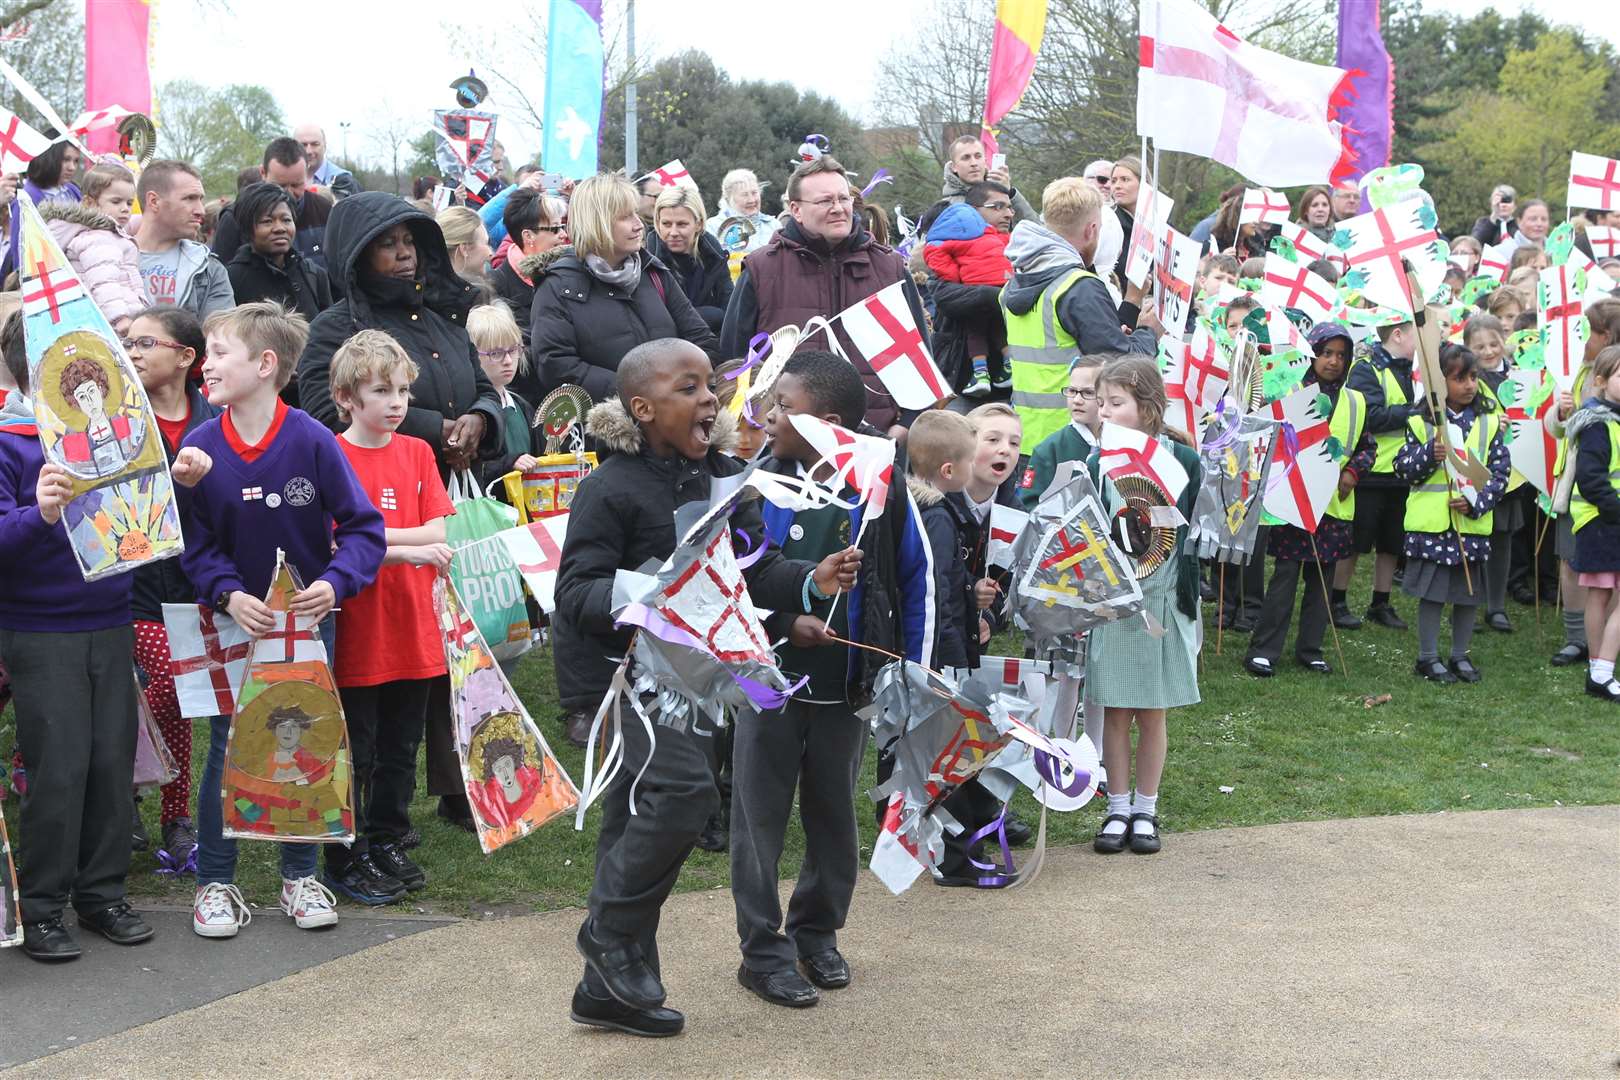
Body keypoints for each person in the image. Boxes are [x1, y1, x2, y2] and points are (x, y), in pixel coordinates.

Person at [555, 338, 858, 1037]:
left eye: (709, 386)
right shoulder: (610, 488)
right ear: (642, 407)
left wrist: (812, 578)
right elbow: (575, 593)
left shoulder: (725, 475)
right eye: (688, 388)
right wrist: (647, 592)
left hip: (702, 678)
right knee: (687, 796)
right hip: (635, 680)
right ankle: (608, 935)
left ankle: (608, 990)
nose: (709, 400)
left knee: (634, 820)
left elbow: (756, 568)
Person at [0, 312, 208, 962]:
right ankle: (42, 909)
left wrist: (182, 485)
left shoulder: (118, 433)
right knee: (59, 769)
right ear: (34, 374)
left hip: (112, 617)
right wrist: (42, 513)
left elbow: (151, 522)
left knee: (112, 765)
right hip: (42, 629)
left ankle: (101, 894)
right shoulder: (11, 443)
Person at [179, 302, 386, 938]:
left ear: (266, 365)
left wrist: (333, 583)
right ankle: (216, 882)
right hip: (230, 625)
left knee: (304, 739)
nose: (205, 365)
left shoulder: (311, 439)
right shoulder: (198, 447)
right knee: (228, 746)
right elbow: (193, 544)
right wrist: (224, 594)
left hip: (305, 625)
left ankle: (301, 876)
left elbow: (362, 530)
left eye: (218, 353)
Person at [734, 350, 934, 1005]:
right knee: (758, 819)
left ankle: (816, 933)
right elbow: (733, 583)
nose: (768, 416)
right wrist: (787, 620)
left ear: (829, 422)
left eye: (784, 406)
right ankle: (763, 952)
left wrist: (912, 667)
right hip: (767, 681)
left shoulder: (877, 486)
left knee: (832, 815)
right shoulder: (755, 485)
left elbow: (914, 578)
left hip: (848, 684)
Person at [323, 329, 454, 904]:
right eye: (381, 391)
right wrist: (403, 548)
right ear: (347, 397)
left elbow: (438, 532)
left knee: (403, 745)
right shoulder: (331, 454)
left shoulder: (419, 453)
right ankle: (345, 850)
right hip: (359, 627)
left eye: (402, 390)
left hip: (413, 625)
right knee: (358, 745)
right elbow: (332, 541)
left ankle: (387, 834)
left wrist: (375, 543)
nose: (397, 402)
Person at [297, 192, 504, 477]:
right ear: (358, 254)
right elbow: (326, 415)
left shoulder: (444, 317)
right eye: (388, 244)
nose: (404, 253)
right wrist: (432, 431)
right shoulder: (334, 329)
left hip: (460, 494)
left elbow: (484, 388)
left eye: (409, 241)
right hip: (384, 493)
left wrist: (481, 420)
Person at [1086, 356, 1199, 856]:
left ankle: (1146, 809)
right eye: (1101, 402)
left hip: (1163, 598)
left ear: (1148, 407)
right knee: (1114, 710)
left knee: (1152, 713)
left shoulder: (1184, 459)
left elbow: (1191, 530)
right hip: (1114, 602)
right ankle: (1116, 807)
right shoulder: (1097, 462)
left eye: (1116, 403)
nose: (1104, 412)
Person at [126, 307, 218, 874]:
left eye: (145, 342)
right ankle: (128, 796)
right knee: (159, 684)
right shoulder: (119, 420)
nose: (132, 352)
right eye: (127, 342)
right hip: (133, 583)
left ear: (186, 357)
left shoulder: (215, 418)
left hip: (198, 582)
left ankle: (175, 817)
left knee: (182, 697)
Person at [1244, 324, 1374, 678]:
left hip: (1333, 508)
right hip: (1294, 501)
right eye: (1326, 353)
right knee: (1285, 576)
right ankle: (1265, 649)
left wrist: (1354, 473)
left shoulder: (1355, 400)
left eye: (1341, 355)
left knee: (1322, 581)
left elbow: (1366, 447)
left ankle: (1311, 648)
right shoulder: (1291, 391)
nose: (1333, 361)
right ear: (1312, 354)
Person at [1001, 176, 1157, 453]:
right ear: (1091, 230)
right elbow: (1123, 363)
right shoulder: (1078, 287)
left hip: (1024, 436)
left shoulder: (1016, 281)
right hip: (1074, 438)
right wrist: (1149, 332)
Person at [529, 174, 718, 403]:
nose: (639, 225)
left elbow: (702, 339)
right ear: (597, 223)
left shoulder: (653, 272)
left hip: (672, 423)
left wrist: (679, 388)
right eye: (626, 217)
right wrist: (636, 394)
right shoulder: (558, 287)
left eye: (636, 214)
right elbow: (555, 365)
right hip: (607, 431)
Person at [1393, 343, 1510, 683]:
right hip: (1432, 525)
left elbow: (1500, 473)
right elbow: (1403, 468)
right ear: (1440, 382)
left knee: (1467, 593)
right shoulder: (1420, 422)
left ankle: (1460, 655)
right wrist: (1430, 453)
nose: (1469, 385)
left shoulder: (1489, 424)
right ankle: (1427, 657)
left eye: (1473, 377)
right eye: (1459, 378)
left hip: (1471, 525)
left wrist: (1477, 502)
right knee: (1433, 594)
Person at [1018, 356, 1108, 756]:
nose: (1076, 399)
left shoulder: (1119, 445)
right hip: (1063, 573)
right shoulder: (1052, 447)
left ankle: (1097, 753)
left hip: (1106, 573)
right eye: (1071, 391)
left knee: (1101, 670)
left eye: (1087, 392)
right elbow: (1031, 505)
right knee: (1062, 668)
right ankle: (1059, 747)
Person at [1334, 318, 1420, 631]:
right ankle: (1337, 599)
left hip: (1403, 472)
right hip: (1371, 473)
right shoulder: (1366, 369)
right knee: (1357, 542)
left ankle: (1380, 602)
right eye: (1415, 336)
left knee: (1391, 543)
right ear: (1397, 335)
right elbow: (1371, 416)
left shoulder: (1415, 371)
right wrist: (1415, 411)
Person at [1548, 299, 1620, 668]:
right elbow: (1557, 428)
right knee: (1572, 563)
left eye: (1587, 330)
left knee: (1606, 576)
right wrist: (1561, 414)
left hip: (1605, 496)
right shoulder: (1576, 370)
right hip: (1576, 490)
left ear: (1605, 335)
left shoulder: (1612, 371)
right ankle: (1578, 639)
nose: (1580, 337)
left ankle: (1605, 648)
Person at [924, 181, 1015, 399]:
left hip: (1013, 388)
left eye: (1010, 207)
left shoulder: (1012, 246)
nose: (1009, 214)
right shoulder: (950, 250)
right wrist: (1002, 295)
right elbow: (948, 297)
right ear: (972, 211)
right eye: (998, 207)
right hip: (958, 376)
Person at [1565, 344, 1620, 701]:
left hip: (1608, 518)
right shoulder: (1597, 423)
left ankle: (1600, 670)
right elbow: (1592, 478)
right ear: (1600, 381)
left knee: (1602, 594)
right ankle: (1601, 671)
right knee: (1599, 594)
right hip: (1601, 519)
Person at [1466, 313, 1522, 632]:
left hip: (1511, 471)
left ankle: (1496, 605)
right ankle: (1470, 603)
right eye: (1479, 346)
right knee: (1474, 533)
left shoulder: (1520, 376)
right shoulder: (1465, 378)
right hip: (1477, 466)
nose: (1488, 351)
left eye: (1493, 343)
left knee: (1502, 535)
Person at [42, 163, 146, 329]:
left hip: (120, 318)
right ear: (89, 203)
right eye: (116, 201)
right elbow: (103, 282)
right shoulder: (97, 238)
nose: (125, 209)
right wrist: (121, 319)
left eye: (129, 202)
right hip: (111, 323)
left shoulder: (110, 234)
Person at [223, 182, 333, 335]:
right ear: (248, 229)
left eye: (286, 220)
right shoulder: (231, 280)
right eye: (267, 221)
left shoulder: (313, 275)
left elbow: (328, 335)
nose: (280, 228)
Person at [210, 137, 335, 270]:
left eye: (296, 185)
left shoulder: (324, 211)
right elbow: (220, 278)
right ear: (263, 173)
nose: (288, 193)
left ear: (307, 171)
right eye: (280, 185)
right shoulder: (236, 218)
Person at [134, 161, 236, 318]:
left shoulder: (209, 269)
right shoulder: (103, 260)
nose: (201, 210)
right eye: (189, 198)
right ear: (154, 201)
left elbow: (220, 337)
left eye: (201, 199)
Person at [488, 187, 568, 384]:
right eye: (555, 228)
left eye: (563, 226)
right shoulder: (496, 287)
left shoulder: (569, 271)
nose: (564, 235)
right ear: (528, 236)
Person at [644, 184, 733, 334]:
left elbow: (730, 306)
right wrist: (713, 315)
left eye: (682, 224)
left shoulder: (713, 255)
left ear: (698, 224)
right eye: (666, 224)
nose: (673, 232)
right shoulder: (647, 262)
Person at [467, 303, 538, 491]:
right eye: (495, 353)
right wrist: (507, 464)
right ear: (473, 356)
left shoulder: (522, 406)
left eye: (513, 350)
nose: (507, 361)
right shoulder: (472, 413)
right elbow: (470, 470)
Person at [939, 135, 1037, 223]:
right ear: (953, 167)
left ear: (985, 161)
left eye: (978, 156)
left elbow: (1036, 229)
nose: (974, 163)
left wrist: (1009, 194)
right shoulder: (944, 209)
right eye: (966, 158)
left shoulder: (1005, 195)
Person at [705, 168, 781, 255]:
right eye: (744, 195)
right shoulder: (713, 227)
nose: (751, 200)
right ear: (729, 198)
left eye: (754, 193)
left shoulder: (774, 225)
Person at [294, 123, 360, 200]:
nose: (309, 151)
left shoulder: (345, 183)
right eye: (303, 145)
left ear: (325, 146)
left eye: (315, 144)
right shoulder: (283, 180)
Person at [1108, 157, 1142, 283]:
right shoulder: (1109, 224)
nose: (1117, 186)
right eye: (1113, 181)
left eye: (1125, 180)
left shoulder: (1161, 222)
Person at [23, 140, 81, 206]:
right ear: (49, 158)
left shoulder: (73, 191)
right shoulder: (26, 198)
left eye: (76, 161)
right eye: (66, 159)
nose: (72, 167)